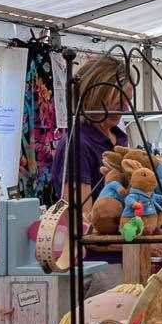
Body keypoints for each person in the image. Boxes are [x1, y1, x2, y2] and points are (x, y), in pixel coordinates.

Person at [53, 54, 136, 296]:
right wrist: (129, 243)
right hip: (99, 265)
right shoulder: (78, 141)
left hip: (120, 257)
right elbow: (81, 221)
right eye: (117, 101)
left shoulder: (117, 138)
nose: (124, 109)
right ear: (95, 96)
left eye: (127, 101)